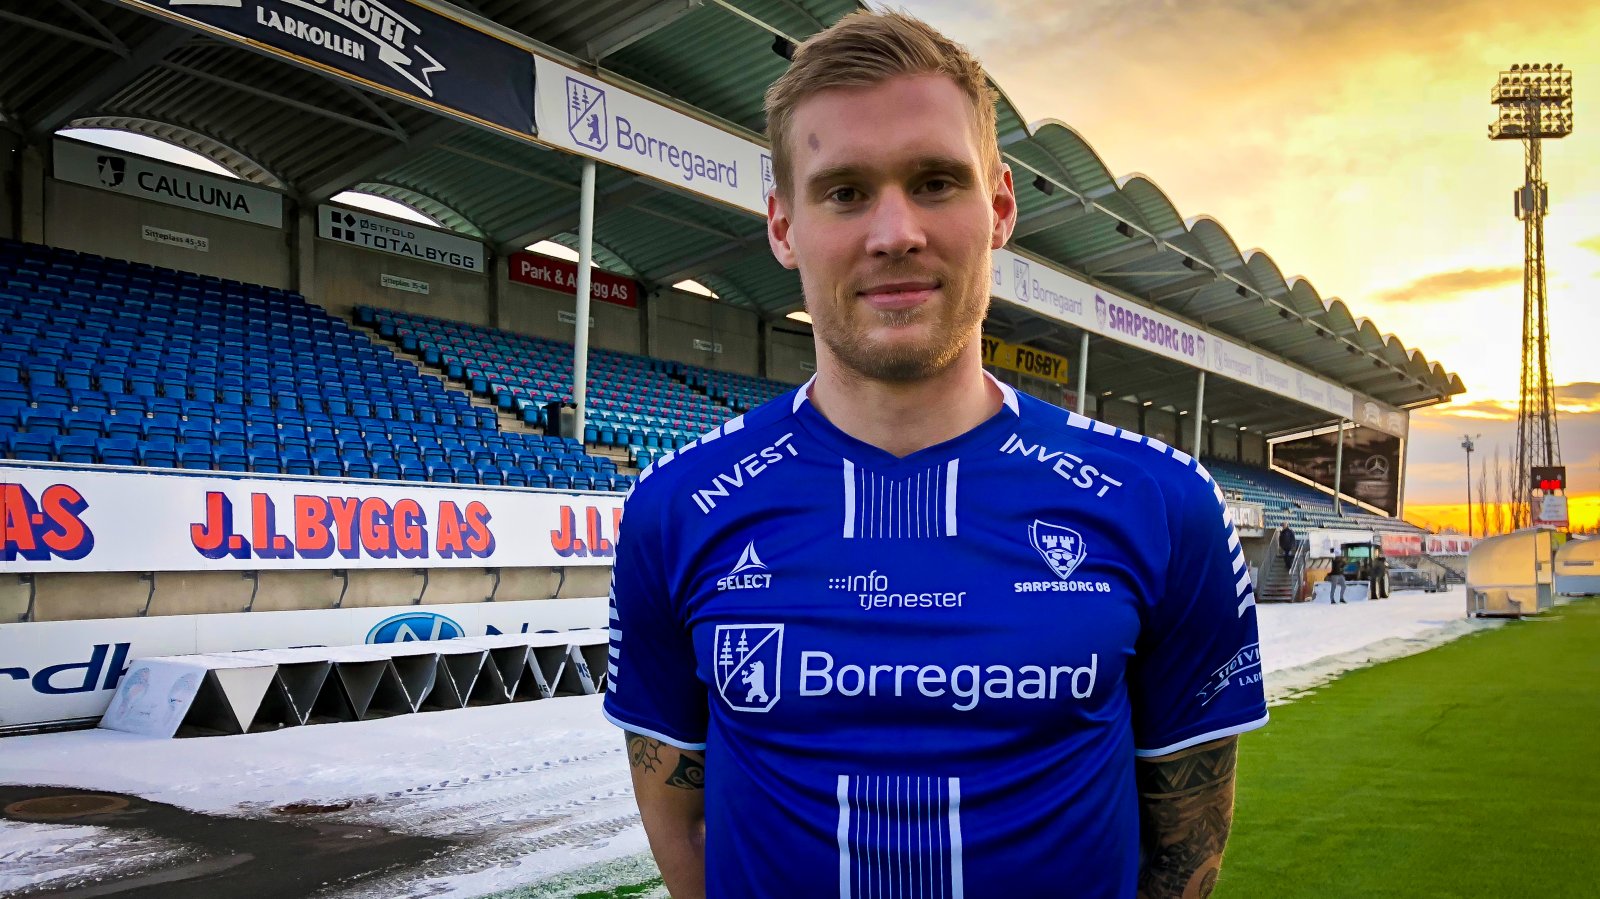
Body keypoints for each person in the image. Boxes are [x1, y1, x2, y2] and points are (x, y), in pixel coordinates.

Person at [604, 11, 1268, 898]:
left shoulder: (1162, 502)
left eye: (935, 182)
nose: (895, 232)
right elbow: (684, 823)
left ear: (1000, 207)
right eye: (845, 192)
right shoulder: (677, 508)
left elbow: (1185, 853)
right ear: (783, 226)